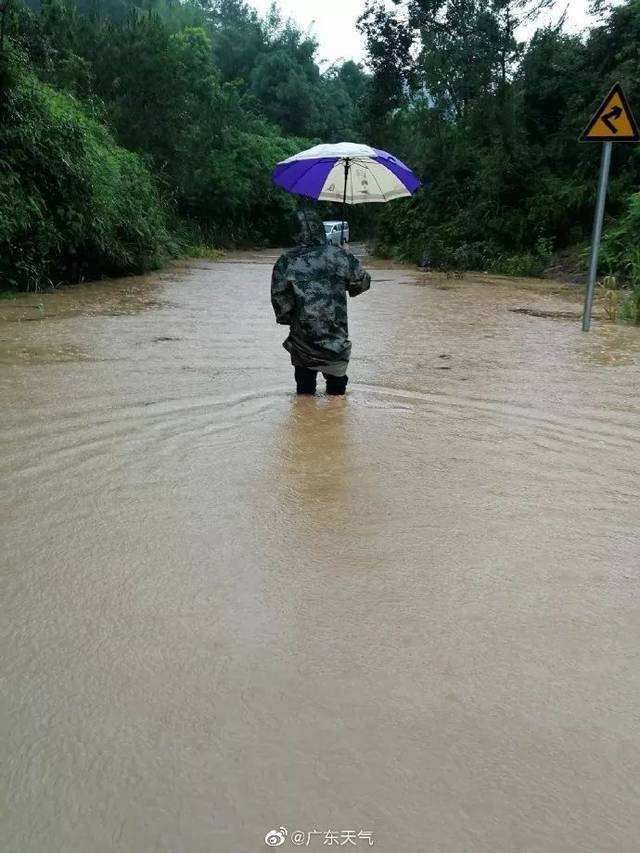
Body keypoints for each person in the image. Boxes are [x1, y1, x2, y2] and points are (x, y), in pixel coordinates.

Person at [271, 210, 371, 396]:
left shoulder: (285, 262)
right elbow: (362, 284)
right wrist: (346, 256)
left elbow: (283, 312)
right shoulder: (340, 257)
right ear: (321, 231)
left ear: (294, 233)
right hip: (336, 346)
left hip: (303, 346)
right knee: (337, 403)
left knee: (304, 399)